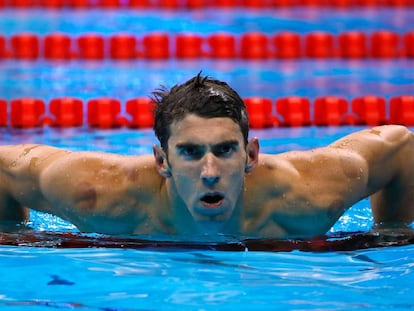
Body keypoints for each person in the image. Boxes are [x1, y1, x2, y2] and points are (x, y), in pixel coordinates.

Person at [0, 73, 413, 240]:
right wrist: (16, 236)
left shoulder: (309, 195)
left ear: (250, 153)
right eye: (191, 153)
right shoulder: (100, 195)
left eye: (225, 150)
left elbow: (399, 144)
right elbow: (5, 166)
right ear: (162, 160)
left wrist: (392, 231)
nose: (210, 171)